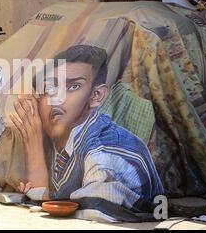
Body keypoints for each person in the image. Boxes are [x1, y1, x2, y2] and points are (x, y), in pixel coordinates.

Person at [11, 45, 164, 221]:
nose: (57, 98)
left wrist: (35, 155)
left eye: (73, 86)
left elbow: (88, 215)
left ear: (96, 95)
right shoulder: (59, 136)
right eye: (49, 89)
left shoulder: (106, 152)